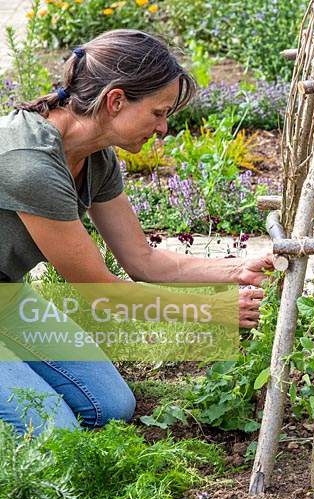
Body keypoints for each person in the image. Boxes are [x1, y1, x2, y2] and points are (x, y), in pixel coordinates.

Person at [0, 29, 274, 435]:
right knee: (54, 434)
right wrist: (210, 310)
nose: (163, 129)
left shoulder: (96, 159)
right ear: (115, 101)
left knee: (109, 406)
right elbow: (101, 291)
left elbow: (142, 260)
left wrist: (236, 270)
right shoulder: (28, 164)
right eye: (158, 113)